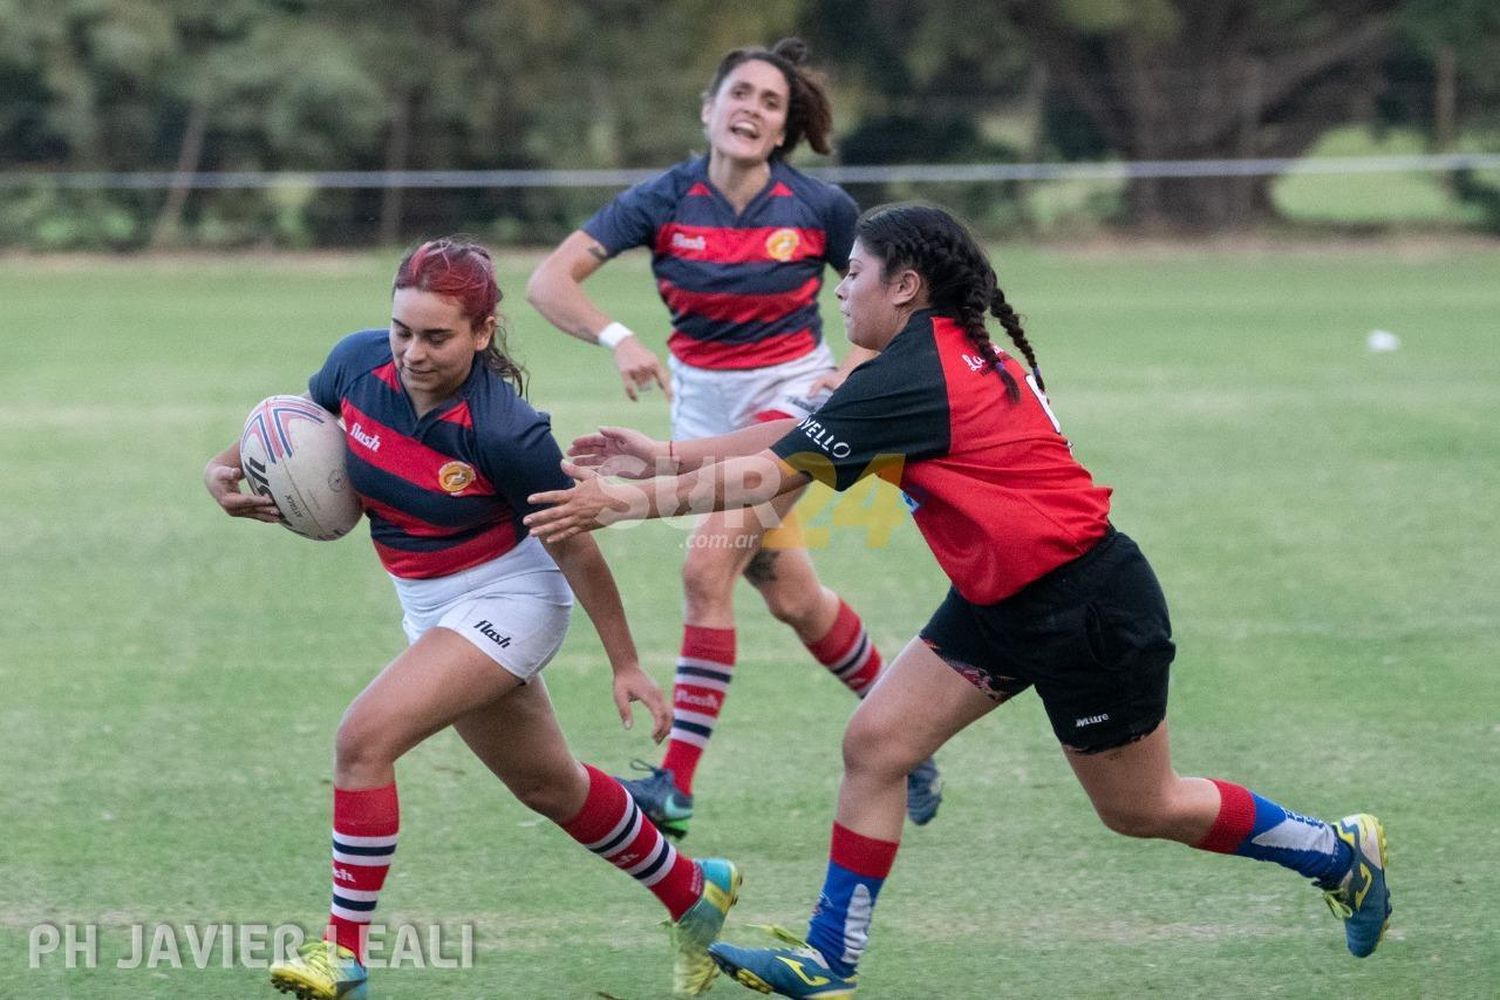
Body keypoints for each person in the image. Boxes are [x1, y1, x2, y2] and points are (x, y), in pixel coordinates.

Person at [522, 204, 1393, 998]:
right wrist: (665, 457)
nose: (840, 283)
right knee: (876, 743)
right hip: (1003, 601)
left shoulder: (917, 373)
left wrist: (619, 504)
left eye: (854, 271)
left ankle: (1334, 851)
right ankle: (829, 958)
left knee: (1142, 807)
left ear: (906, 287)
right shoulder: (914, 361)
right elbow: (798, 437)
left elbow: (767, 474)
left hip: (1085, 604)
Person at [202, 238, 742, 1000]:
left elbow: (579, 551)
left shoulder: (504, 431)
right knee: (551, 789)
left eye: (436, 337)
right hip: (428, 605)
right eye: (402, 330)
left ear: (482, 333)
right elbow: (290, 423)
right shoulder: (357, 365)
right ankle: (695, 892)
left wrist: (625, 662)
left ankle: (341, 953)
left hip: (510, 598)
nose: (412, 352)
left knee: (363, 741)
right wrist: (217, 473)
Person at [526, 37, 940, 840]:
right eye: (739, 94)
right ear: (708, 109)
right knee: (793, 596)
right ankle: (911, 738)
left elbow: (897, 292)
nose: (752, 109)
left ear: (783, 130)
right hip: (703, 413)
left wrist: (851, 367)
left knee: (704, 565)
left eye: (770, 102)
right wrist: (618, 337)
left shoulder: (817, 207)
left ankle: (674, 784)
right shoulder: (664, 198)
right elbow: (548, 280)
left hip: (797, 409)